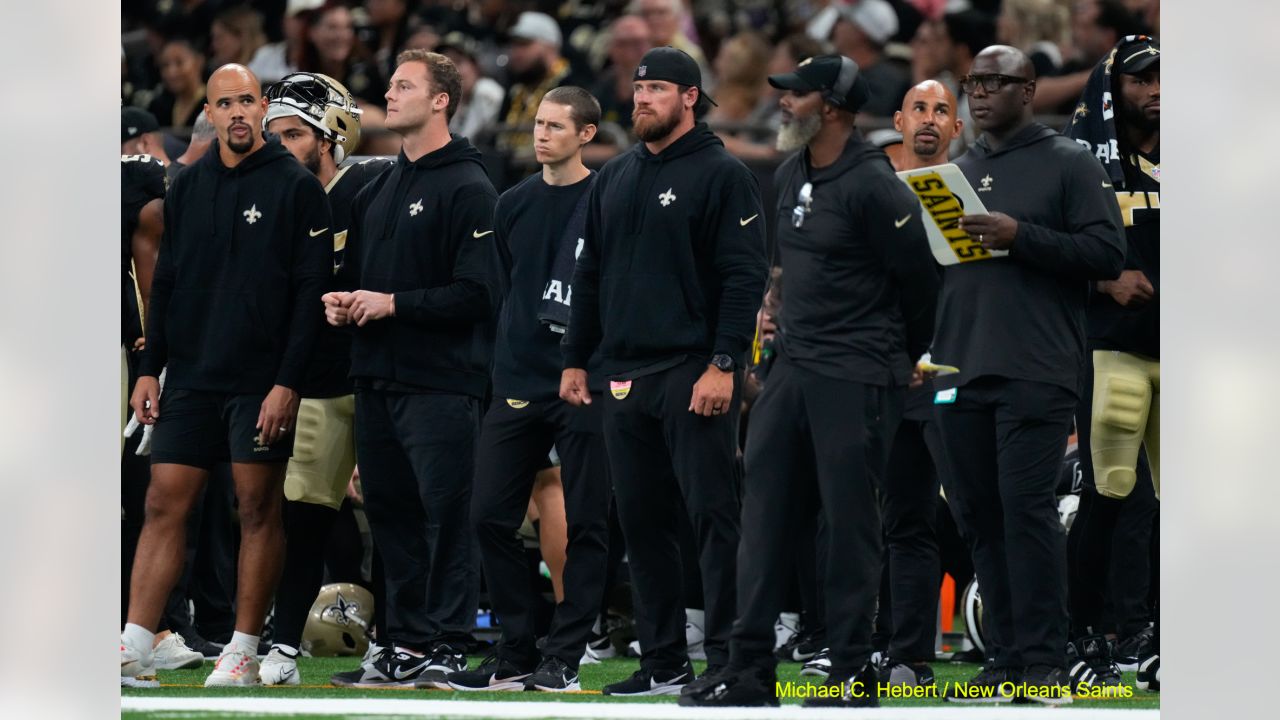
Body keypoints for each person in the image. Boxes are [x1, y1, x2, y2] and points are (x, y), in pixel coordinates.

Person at [681, 55, 937, 708]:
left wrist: (894, 356)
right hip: (791, 370)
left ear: (833, 107)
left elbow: (922, 286)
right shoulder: (791, 170)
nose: (784, 104)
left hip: (855, 373)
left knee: (849, 527)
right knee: (762, 517)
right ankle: (748, 672)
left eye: (797, 95)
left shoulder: (876, 187)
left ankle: (853, 672)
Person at [560, 46, 768, 696]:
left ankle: (731, 659)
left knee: (713, 517)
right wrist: (574, 357)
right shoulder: (614, 176)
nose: (641, 98)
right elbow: (588, 274)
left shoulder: (722, 173)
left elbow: (744, 277)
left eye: (656, 89)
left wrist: (725, 363)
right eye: (638, 88)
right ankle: (662, 659)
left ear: (689, 97)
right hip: (623, 373)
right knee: (642, 524)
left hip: (692, 368)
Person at [121, 63, 333, 688]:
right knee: (163, 502)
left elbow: (310, 294)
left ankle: (241, 648)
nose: (238, 113)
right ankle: (134, 643)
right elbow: (167, 283)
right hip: (190, 375)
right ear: (208, 114)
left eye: (247, 101)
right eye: (225, 104)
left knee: (256, 508)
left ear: (263, 106)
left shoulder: (297, 187)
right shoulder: (184, 187)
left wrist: (287, 383)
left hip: (260, 381)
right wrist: (147, 369)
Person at [927, 46, 1125, 704]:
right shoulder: (959, 167)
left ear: (1030, 89)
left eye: (997, 82)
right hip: (959, 362)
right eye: (974, 82)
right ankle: (1005, 660)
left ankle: (1044, 663)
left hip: (1035, 367)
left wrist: (1022, 235)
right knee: (980, 518)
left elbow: (1106, 253)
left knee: (1027, 513)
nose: (981, 93)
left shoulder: (1068, 160)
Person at [321, 49, 502, 689]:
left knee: (446, 518)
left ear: (441, 100)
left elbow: (481, 294)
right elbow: (362, 282)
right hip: (377, 381)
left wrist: (393, 304)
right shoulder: (377, 188)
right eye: (390, 84)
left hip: (443, 384)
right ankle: (405, 642)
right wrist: (345, 302)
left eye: (404, 86)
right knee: (392, 520)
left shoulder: (471, 187)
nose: (389, 95)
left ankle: (452, 644)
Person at [444, 86, 612, 694]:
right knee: (487, 514)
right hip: (517, 378)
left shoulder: (607, 198)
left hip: (584, 381)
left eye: (556, 126)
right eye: (538, 124)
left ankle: (566, 652)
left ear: (586, 135)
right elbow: (505, 287)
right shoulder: (511, 202)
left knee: (588, 520)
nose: (541, 135)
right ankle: (518, 645)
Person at [255, 71, 392, 687]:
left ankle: (395, 642)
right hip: (318, 382)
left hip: (383, 374)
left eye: (294, 132)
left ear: (332, 132)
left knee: (396, 516)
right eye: (275, 134)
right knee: (303, 515)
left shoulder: (374, 183)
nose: (281, 145)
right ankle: (283, 643)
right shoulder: (280, 199)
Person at [1063, 34, 1161, 690]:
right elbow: (1042, 248)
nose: (1155, 92)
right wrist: (1104, 281)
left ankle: (1155, 627)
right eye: (1140, 81)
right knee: (1109, 493)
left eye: (1161, 81)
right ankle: (1085, 628)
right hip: (1112, 349)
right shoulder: (1080, 164)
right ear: (1112, 89)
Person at [865, 78, 965, 690]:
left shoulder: (968, 194)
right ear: (899, 119)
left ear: (957, 128)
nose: (929, 120)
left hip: (953, 376)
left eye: (942, 111)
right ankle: (886, 646)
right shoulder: (870, 190)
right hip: (881, 375)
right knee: (889, 516)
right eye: (919, 109)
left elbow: (973, 290)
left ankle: (1010, 646)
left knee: (970, 517)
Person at [497, 12, 591, 158]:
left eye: (524, 44)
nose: (515, 52)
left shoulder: (574, 88)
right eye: (513, 45)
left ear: (550, 47)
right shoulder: (515, 90)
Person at [830, 0, 912, 117]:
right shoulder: (836, 69)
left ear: (861, 32)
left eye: (843, 20)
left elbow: (863, 121)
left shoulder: (887, 80)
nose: (836, 26)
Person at [148, 36, 208, 129]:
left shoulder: (214, 105)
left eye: (179, 63)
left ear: (198, 62)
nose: (171, 72)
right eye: (165, 65)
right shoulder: (159, 107)